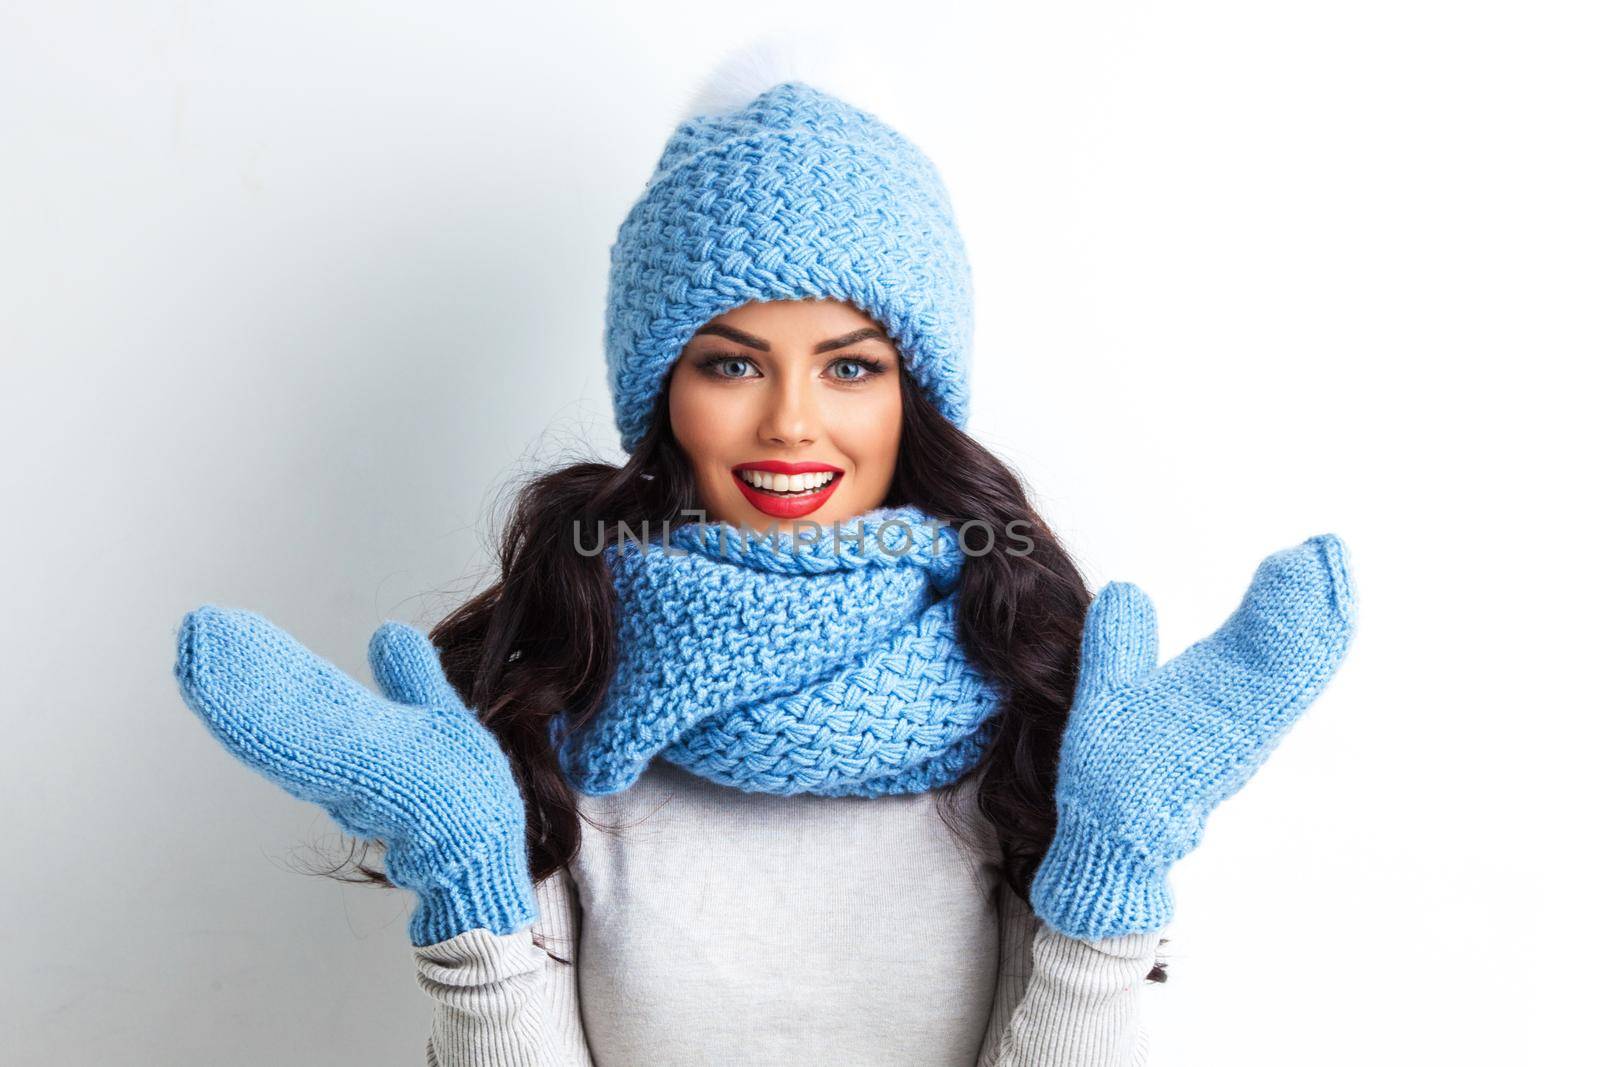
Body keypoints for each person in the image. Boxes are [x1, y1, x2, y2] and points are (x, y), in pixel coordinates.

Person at [172, 79, 1355, 1066]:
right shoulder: (558, 699)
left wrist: (1113, 872)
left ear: (916, 399)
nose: (791, 421)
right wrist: (473, 892)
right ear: (662, 395)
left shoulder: (1034, 708)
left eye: (849, 369)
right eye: (733, 363)